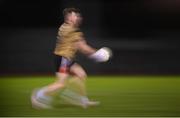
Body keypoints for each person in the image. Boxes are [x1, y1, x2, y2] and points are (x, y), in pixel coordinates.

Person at [31, 7, 111, 109]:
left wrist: (94, 54)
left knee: (81, 75)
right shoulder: (72, 31)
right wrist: (98, 54)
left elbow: (79, 46)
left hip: (66, 58)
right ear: (69, 17)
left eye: (78, 15)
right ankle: (38, 94)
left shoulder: (65, 27)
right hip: (63, 58)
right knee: (60, 84)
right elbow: (83, 48)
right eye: (75, 15)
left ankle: (82, 101)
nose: (78, 17)